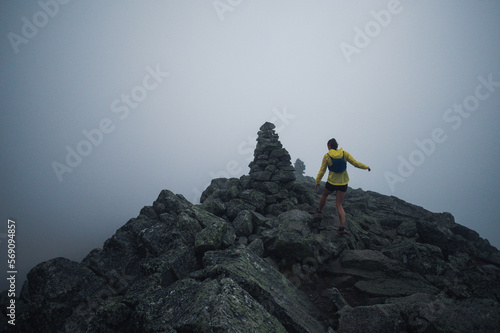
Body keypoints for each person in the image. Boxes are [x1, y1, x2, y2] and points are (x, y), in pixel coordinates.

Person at [315, 138, 371, 234]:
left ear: (329, 145)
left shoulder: (327, 156)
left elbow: (322, 170)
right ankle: (342, 227)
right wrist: (366, 167)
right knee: (339, 204)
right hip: (343, 183)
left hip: (331, 182)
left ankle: (319, 211)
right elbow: (356, 163)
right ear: (336, 145)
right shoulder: (345, 154)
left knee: (324, 195)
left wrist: (317, 181)